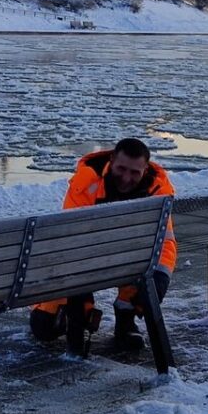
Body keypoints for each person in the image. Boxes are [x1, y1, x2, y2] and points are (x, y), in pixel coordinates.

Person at [28, 137, 175, 352]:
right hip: (84, 260)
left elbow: (165, 240)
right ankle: (76, 316)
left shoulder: (157, 190)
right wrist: (81, 305)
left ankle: (125, 321)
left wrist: (161, 274)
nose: (126, 178)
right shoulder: (86, 184)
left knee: (149, 265)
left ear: (145, 169)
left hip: (128, 257)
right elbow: (72, 246)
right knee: (44, 328)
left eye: (135, 172)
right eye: (121, 169)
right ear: (111, 160)